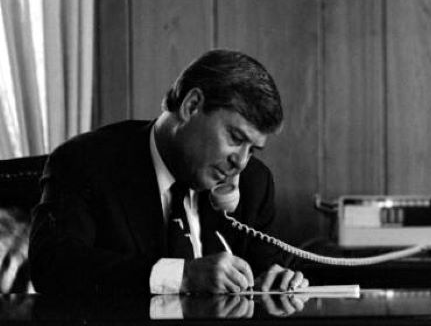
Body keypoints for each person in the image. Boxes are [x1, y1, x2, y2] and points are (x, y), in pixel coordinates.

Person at [29, 49, 309, 295]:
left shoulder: (254, 183)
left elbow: (266, 271)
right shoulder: (85, 161)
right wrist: (182, 276)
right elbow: (53, 265)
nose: (241, 162)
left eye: (253, 149)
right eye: (235, 138)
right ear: (191, 106)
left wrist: (278, 282)